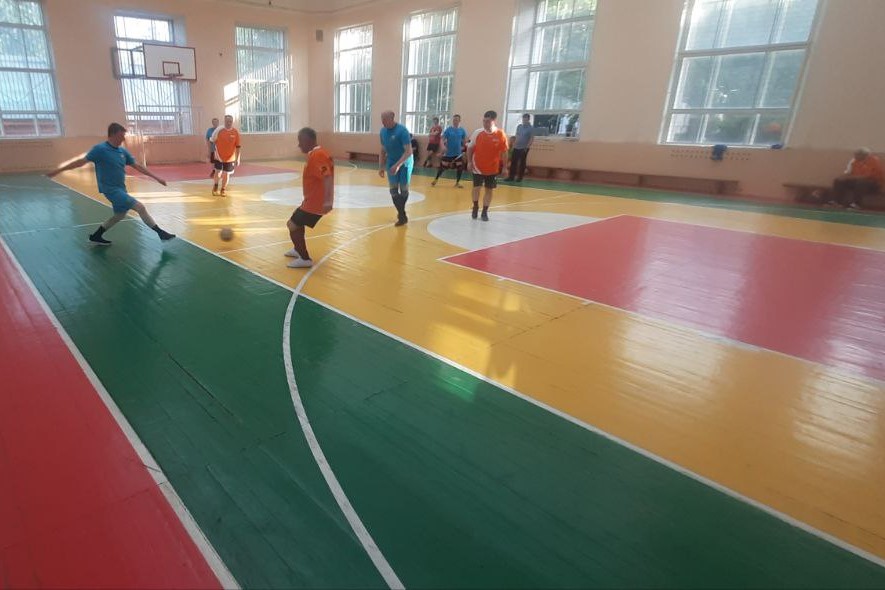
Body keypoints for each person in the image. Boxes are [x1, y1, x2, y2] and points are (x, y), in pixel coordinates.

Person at [47, 122, 175, 245]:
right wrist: (59, 170)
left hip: (121, 188)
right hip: (110, 189)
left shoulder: (122, 151)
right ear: (113, 134)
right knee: (140, 207)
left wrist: (156, 177)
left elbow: (137, 166)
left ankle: (96, 236)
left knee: (119, 215)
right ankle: (161, 233)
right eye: (121, 135)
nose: (124, 138)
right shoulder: (100, 150)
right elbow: (80, 162)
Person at [284, 128, 334, 269]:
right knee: (297, 223)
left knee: (292, 225)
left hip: (316, 203)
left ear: (308, 141)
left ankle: (305, 258)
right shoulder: (315, 154)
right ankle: (298, 249)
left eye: (300, 141)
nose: (299, 145)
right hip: (310, 201)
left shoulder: (318, 155)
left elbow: (327, 177)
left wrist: (328, 201)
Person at [466, 110, 509, 221]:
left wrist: (505, 167)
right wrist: (469, 162)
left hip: (492, 168)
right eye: (484, 121)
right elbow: (469, 148)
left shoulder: (500, 134)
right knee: (476, 187)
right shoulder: (478, 133)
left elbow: (504, 152)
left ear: (494, 121)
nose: (485, 123)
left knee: (489, 190)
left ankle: (485, 212)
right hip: (477, 166)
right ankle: (475, 206)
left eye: (488, 121)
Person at [379, 111, 414, 226]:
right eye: (382, 119)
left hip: (405, 162)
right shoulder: (382, 131)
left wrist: (398, 165)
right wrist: (381, 166)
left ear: (392, 118)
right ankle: (402, 214)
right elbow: (383, 150)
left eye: (385, 119)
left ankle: (401, 214)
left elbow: (408, 152)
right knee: (393, 191)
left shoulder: (402, 131)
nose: (383, 122)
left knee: (404, 190)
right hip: (391, 161)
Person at [431, 114, 467, 188]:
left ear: (459, 121)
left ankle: (457, 183)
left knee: (460, 167)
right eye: (454, 120)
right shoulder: (448, 130)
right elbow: (442, 139)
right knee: (443, 167)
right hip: (449, 152)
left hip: (458, 153)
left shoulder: (462, 130)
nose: (455, 121)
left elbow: (464, 140)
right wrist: (443, 146)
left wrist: (464, 147)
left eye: (456, 120)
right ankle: (436, 179)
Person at [210, 115, 241, 196]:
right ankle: (216, 185)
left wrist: (238, 158)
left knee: (226, 174)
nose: (229, 123)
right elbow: (212, 141)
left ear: (232, 122)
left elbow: (238, 146)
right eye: (227, 121)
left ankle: (223, 189)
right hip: (219, 157)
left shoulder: (235, 132)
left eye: (230, 121)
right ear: (224, 121)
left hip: (230, 158)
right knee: (218, 172)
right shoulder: (219, 130)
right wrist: (213, 152)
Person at [505, 113, 534, 182]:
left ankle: (520, 177)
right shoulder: (519, 126)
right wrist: (514, 145)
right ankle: (511, 177)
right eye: (523, 119)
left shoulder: (531, 128)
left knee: (522, 163)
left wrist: (527, 147)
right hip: (516, 147)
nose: (524, 120)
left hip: (524, 148)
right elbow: (517, 136)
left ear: (528, 119)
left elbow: (531, 138)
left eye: (525, 119)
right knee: (513, 162)